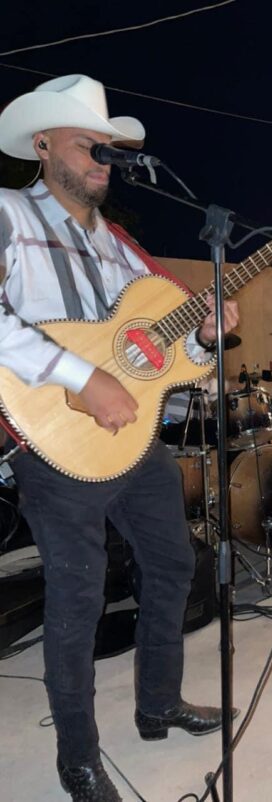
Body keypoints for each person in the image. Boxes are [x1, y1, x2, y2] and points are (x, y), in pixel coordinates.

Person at [0, 75, 239, 802]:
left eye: (111, 149)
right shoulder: (8, 215)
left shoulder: (123, 245)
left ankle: (158, 702)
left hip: (136, 442)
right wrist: (79, 375)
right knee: (79, 599)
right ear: (42, 146)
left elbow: (165, 356)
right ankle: (78, 758)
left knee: (173, 566)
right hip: (56, 446)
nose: (105, 158)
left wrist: (204, 335)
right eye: (90, 144)